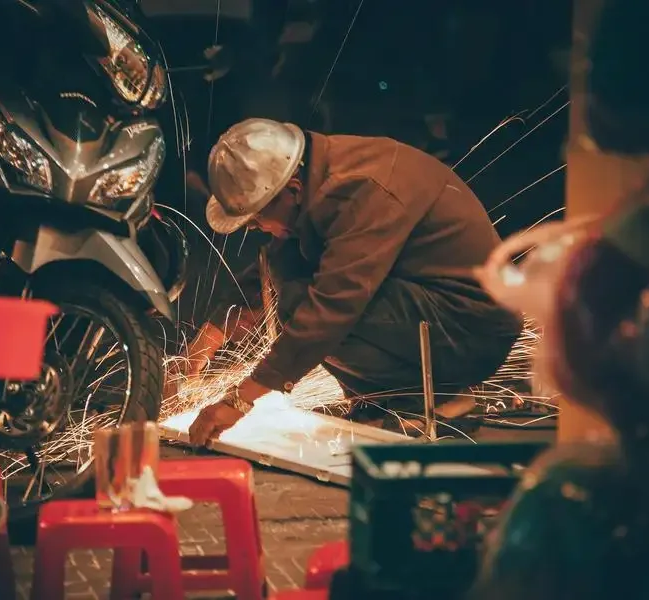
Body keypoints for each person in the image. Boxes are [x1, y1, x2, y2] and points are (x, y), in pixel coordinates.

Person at [186, 118, 522, 445]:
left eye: (258, 221)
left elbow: (333, 305)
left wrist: (240, 399)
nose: (260, 229)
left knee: (302, 303)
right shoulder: (313, 183)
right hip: (432, 309)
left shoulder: (360, 191)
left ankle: (437, 402)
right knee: (291, 282)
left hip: (470, 329)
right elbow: (272, 270)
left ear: (292, 190)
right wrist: (205, 343)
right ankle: (380, 401)